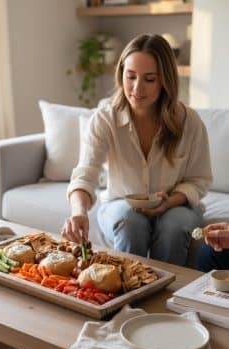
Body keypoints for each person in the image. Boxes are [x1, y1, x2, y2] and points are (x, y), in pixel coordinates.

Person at [61, 33, 212, 266]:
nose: (137, 89)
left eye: (149, 79)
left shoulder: (188, 121)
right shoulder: (104, 119)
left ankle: (167, 294)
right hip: (120, 204)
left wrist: (170, 201)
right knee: (130, 221)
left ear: (165, 81)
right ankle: (126, 292)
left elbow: (199, 180)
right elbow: (86, 173)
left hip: (177, 206)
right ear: (121, 74)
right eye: (130, 76)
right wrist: (78, 213)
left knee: (174, 225)